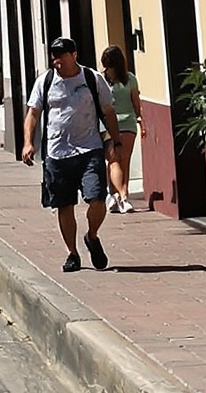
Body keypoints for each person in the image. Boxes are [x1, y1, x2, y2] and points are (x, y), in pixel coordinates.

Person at [23, 37, 122, 272]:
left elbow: (108, 111)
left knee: (97, 199)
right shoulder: (45, 81)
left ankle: (92, 236)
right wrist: (28, 142)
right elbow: (33, 113)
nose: (56, 60)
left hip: (89, 149)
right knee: (64, 205)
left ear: (74, 54)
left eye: (61, 54)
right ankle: (73, 254)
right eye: (54, 55)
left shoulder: (92, 79)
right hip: (57, 154)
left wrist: (115, 142)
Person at [100, 44, 143, 214]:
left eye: (108, 65)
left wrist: (141, 120)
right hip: (109, 125)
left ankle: (122, 196)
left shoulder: (130, 79)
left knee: (124, 160)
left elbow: (136, 102)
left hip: (127, 123)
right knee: (114, 159)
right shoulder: (102, 80)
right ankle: (117, 195)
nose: (106, 69)